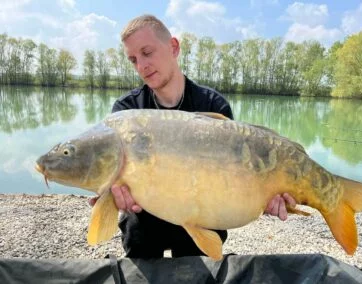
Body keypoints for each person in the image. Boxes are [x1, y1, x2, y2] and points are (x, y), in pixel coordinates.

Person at [90, 14, 297, 258]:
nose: (141, 66)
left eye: (147, 53)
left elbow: (231, 180)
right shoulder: (126, 112)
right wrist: (111, 195)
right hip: (145, 222)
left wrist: (264, 196)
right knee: (140, 242)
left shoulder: (213, 104)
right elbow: (116, 174)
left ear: (174, 47)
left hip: (203, 218)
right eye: (133, 59)